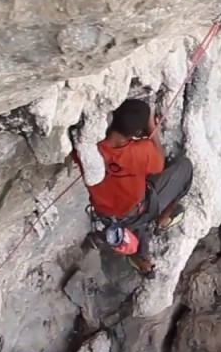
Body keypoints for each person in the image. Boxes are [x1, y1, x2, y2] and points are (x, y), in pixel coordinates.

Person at [70, 99, 193, 277]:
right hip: (136, 211)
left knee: (135, 208)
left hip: (104, 213)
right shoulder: (142, 151)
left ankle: (139, 256)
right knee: (185, 167)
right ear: (137, 132)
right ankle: (164, 216)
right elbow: (159, 162)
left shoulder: (90, 151)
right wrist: (152, 128)